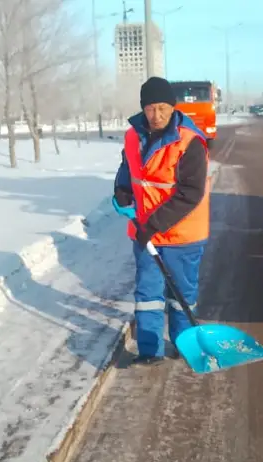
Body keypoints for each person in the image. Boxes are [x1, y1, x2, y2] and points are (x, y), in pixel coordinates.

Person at [111, 76, 210, 366]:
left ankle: (184, 345)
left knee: (181, 295)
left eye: (163, 108)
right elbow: (127, 168)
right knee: (148, 295)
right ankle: (150, 351)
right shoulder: (133, 135)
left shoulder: (189, 142)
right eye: (151, 109)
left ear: (173, 107)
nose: (157, 116)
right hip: (145, 233)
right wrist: (122, 192)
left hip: (182, 235)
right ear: (143, 109)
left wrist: (152, 225)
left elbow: (190, 193)